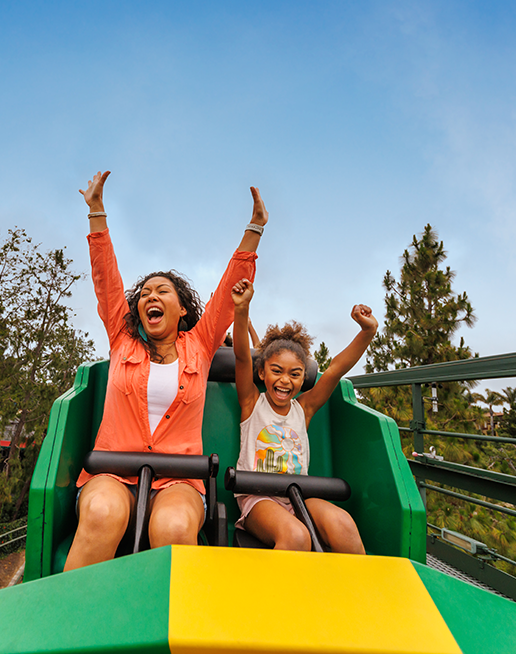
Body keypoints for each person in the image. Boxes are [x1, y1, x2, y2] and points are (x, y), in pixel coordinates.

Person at [65, 171, 268, 571]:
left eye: (162, 291)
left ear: (183, 310)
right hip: (114, 473)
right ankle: (67, 624)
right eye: (144, 294)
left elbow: (231, 289)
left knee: (174, 526)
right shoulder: (123, 341)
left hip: (180, 478)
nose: (150, 296)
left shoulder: (201, 344)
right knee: (103, 512)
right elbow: (106, 281)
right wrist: (96, 214)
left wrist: (255, 228)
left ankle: (171, 630)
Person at [230, 278, 377, 553]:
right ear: (262, 373)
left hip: (297, 495)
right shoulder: (252, 403)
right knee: (297, 537)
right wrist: (241, 310)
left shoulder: (303, 409)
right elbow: (241, 357)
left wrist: (367, 332)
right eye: (277, 371)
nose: (285, 380)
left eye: (295, 374)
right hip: (258, 499)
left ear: (303, 378)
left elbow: (334, 370)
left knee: (343, 525)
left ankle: (353, 593)